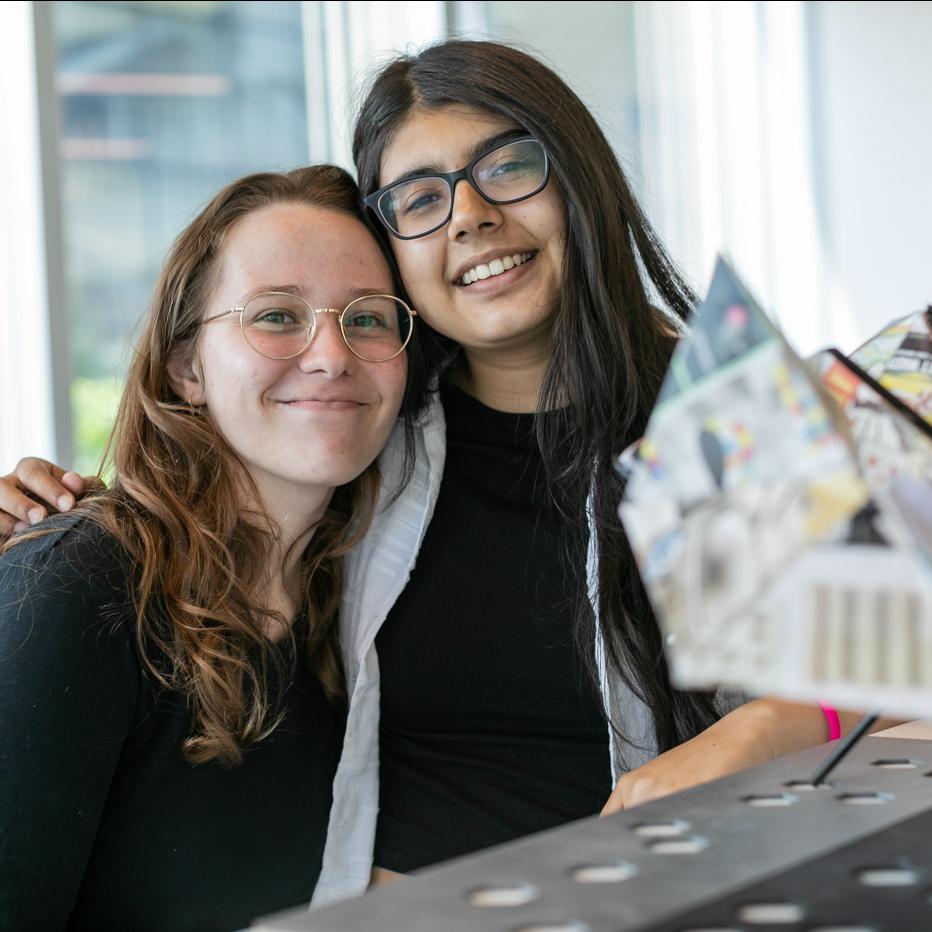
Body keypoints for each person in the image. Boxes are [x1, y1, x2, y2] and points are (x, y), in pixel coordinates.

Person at [0, 41, 881, 909]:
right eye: (419, 197)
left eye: (509, 166)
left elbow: (890, 660)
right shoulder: (371, 429)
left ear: (580, 181)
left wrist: (768, 724)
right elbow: (207, 487)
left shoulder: (724, 414)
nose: (468, 216)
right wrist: (49, 513)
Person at [0, 165, 411, 931]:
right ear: (185, 366)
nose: (331, 354)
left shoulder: (359, 607)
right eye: (277, 316)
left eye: (367, 318)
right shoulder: (77, 588)